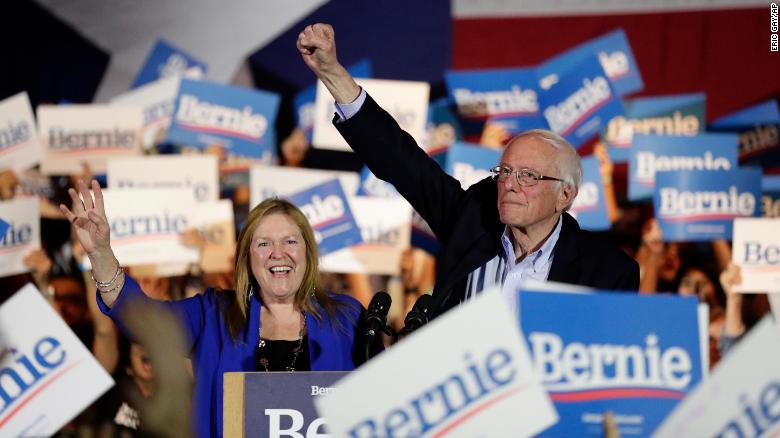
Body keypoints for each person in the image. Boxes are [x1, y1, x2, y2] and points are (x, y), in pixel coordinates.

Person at [297, 23, 639, 316]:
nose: (510, 184)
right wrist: (332, 73)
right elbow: (402, 162)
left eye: (528, 176)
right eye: (505, 171)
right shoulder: (472, 223)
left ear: (565, 194)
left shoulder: (608, 272)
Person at [59, 179, 369, 438]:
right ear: (247, 258)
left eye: (290, 241)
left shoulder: (345, 318)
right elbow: (141, 318)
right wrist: (100, 253)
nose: (278, 254)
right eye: (263, 244)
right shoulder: (214, 316)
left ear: (308, 252)